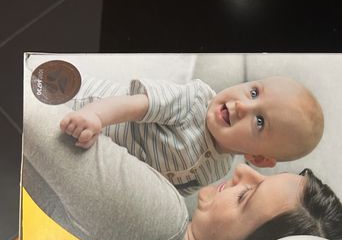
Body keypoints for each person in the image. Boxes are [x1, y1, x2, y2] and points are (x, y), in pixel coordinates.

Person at [23, 96, 342, 240]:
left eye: (245, 196)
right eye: (262, 177)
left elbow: (26, 109)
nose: (242, 172)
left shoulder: (161, 223)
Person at [58, 75, 325, 194]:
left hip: (102, 156)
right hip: (86, 106)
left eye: (259, 121)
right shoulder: (194, 101)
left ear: (258, 158)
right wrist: (95, 116)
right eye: (254, 92)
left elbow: (171, 190)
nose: (242, 106)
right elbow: (134, 105)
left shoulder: (219, 168)